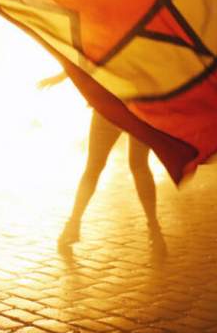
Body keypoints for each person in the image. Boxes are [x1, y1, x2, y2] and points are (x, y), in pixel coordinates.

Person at [40, 73, 167, 257]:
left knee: (93, 168)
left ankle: (73, 225)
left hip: (110, 104)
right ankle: (155, 232)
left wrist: (62, 76)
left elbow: (86, 55)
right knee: (138, 165)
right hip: (138, 105)